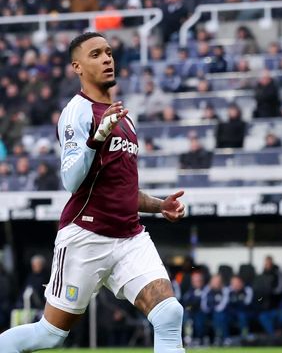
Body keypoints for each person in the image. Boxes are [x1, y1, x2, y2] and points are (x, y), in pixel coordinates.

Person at [0, 32, 187, 353]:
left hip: (129, 237)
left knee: (169, 312)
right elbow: (71, 181)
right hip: (86, 235)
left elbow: (122, 187)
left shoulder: (123, 120)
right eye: (96, 54)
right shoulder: (78, 111)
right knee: (50, 335)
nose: (107, 59)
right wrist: (96, 138)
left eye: (110, 53)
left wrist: (160, 205)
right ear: (77, 67)